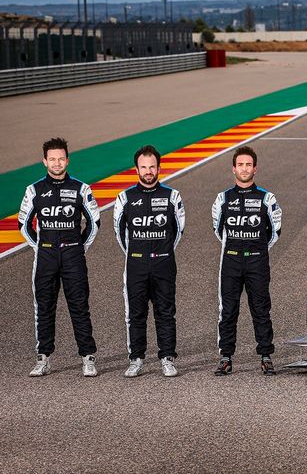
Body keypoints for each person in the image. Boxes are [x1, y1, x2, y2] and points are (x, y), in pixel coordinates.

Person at [18, 137, 101, 377]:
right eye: (52, 159)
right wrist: (40, 247)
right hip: (45, 256)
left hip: (73, 255)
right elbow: (23, 224)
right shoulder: (34, 189)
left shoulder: (81, 188)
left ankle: (88, 357)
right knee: (44, 307)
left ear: (68, 160)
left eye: (61, 158)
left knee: (79, 306)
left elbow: (94, 223)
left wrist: (79, 247)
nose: (57, 163)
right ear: (44, 161)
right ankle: (43, 358)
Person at [113, 145, 185, 378]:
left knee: (165, 312)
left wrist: (162, 251)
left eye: (152, 166)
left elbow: (178, 230)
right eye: (143, 167)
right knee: (135, 314)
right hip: (135, 264)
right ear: (136, 169)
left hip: (164, 263)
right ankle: (136, 359)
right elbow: (119, 232)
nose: (148, 171)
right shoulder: (124, 198)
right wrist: (137, 253)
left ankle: (167, 358)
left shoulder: (172, 196)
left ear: (158, 168)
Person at [212, 146, 282, 376]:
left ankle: (265, 355)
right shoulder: (223, 198)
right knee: (228, 310)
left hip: (257, 261)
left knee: (261, 309)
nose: (244, 169)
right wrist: (236, 247)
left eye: (248, 165)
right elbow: (218, 229)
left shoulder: (267, 198)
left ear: (255, 169)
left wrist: (255, 249)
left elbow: (275, 231)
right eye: (240, 165)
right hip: (230, 261)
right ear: (234, 169)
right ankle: (225, 356)